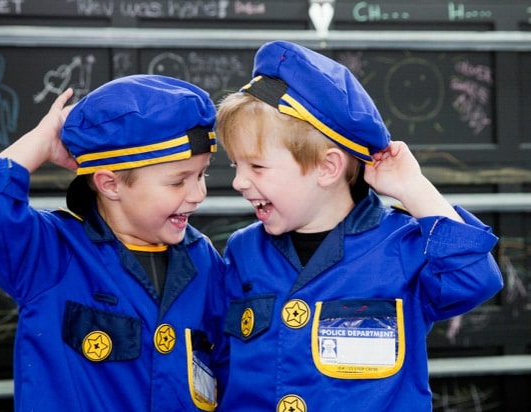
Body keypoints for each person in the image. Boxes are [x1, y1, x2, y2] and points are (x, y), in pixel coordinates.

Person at [214, 40, 503, 411]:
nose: (239, 182)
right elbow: (222, 363)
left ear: (328, 167)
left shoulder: (399, 246)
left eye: (256, 167)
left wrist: (413, 188)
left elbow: (475, 279)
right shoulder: (243, 252)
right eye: (236, 166)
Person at [0, 75, 227, 411]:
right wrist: (42, 141)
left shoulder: (203, 260)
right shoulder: (52, 254)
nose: (199, 194)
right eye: (178, 181)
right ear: (110, 184)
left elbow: (228, 367)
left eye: (202, 175)